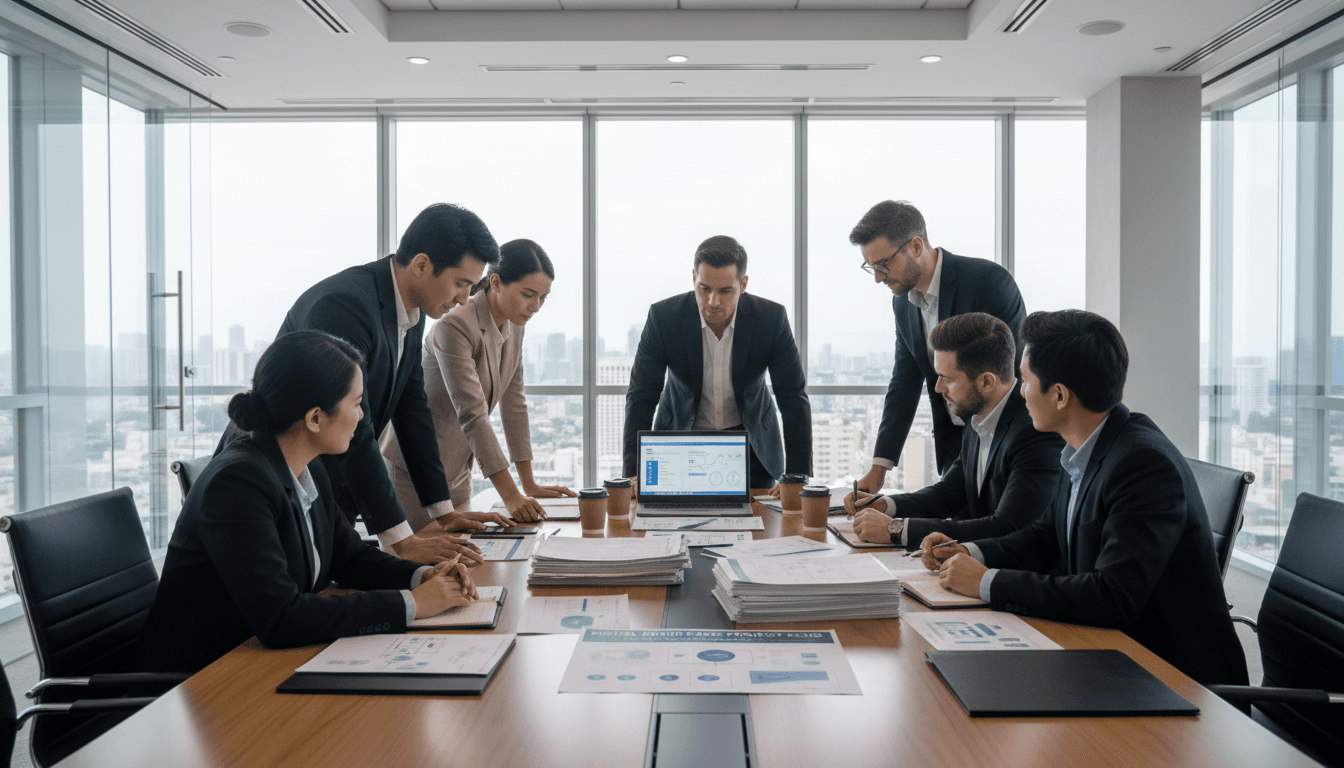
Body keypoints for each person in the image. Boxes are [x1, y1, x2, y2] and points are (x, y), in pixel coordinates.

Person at [923, 310, 1248, 686]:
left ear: (1059, 395)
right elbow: (1046, 537)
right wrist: (971, 552)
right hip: (1110, 655)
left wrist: (987, 582)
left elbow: (1112, 596)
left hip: (1172, 678)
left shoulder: (1142, 465)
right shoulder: (1086, 445)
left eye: (1026, 381)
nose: (1020, 392)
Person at [137, 331, 479, 674]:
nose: (361, 418)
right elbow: (281, 618)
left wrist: (421, 577)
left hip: (258, 662)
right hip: (201, 682)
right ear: (315, 418)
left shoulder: (307, 465)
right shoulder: (237, 484)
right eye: (356, 403)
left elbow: (350, 557)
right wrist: (413, 604)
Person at [218, 203, 509, 565]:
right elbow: (356, 426)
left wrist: (443, 511)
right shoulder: (346, 305)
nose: (464, 298)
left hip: (321, 491)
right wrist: (400, 540)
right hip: (271, 484)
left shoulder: (415, 311)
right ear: (421, 265)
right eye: (461, 284)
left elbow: (412, 410)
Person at [384, 239, 575, 529]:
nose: (535, 307)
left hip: (458, 468)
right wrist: (511, 497)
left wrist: (529, 484)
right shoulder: (454, 325)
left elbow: (515, 405)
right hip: (413, 469)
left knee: (464, 557)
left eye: (543, 298)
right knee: (423, 564)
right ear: (495, 282)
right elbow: (472, 413)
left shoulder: (515, 326)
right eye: (528, 294)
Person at [848, 200, 1026, 500]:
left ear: (915, 246)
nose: (878, 277)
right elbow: (904, 381)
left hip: (1005, 441)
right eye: (871, 268)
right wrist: (879, 467)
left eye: (883, 265)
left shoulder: (987, 282)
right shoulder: (902, 302)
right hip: (954, 444)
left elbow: (1012, 371)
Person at [848, 313, 1062, 547]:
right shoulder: (977, 415)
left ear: (986, 382)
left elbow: (1009, 527)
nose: (938, 388)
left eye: (946, 378)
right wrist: (886, 505)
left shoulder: (1035, 430)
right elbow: (950, 493)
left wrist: (897, 530)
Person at [624, 235, 811, 492]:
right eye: (704, 288)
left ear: (742, 284)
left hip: (752, 447)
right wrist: (633, 474)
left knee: (764, 528)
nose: (713, 301)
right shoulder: (664, 317)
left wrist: (797, 475)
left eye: (725, 291)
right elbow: (641, 397)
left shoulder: (771, 319)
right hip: (679, 445)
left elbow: (792, 397)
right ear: (693, 278)